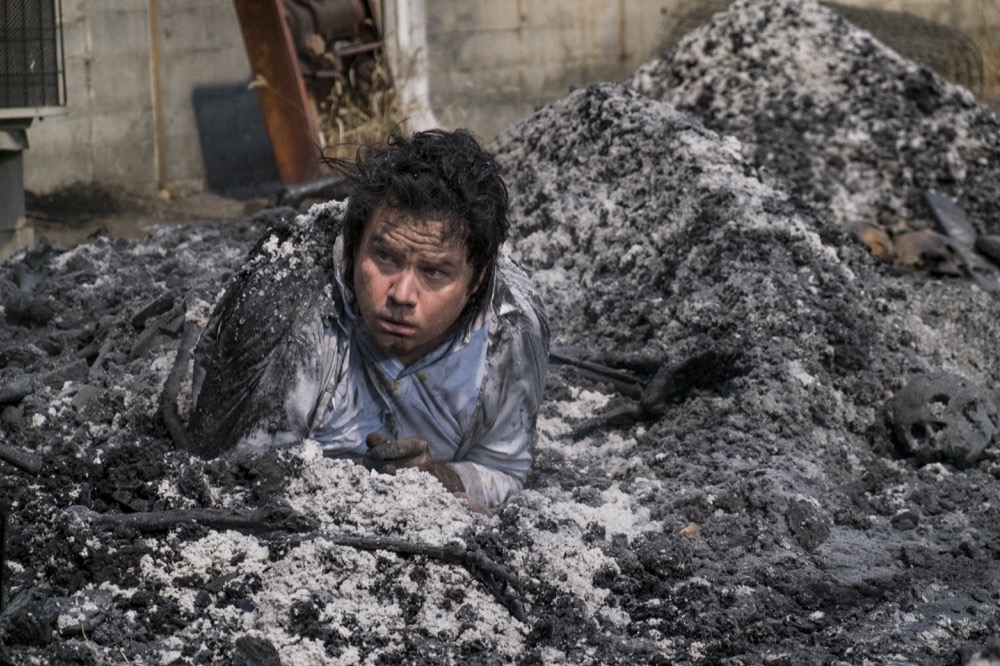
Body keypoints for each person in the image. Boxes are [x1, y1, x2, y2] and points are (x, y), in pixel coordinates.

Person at [186, 129, 550, 509]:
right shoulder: (286, 311)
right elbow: (224, 478)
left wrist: (440, 478)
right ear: (355, 244)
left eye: (434, 273)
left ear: (476, 280)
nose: (402, 295)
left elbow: (503, 469)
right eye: (386, 258)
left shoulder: (511, 330)